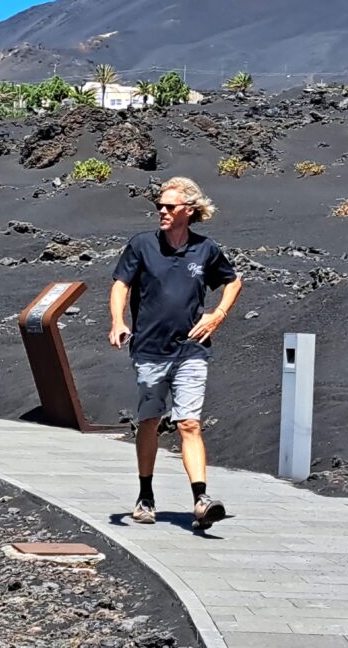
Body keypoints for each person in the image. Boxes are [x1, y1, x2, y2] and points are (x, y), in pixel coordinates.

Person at [109, 176, 242, 528]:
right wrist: (118, 322)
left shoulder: (205, 250)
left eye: (169, 207)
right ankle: (145, 496)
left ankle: (201, 499)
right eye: (159, 207)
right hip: (150, 350)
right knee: (150, 421)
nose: (162, 212)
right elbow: (121, 284)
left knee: (189, 422)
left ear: (190, 210)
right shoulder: (141, 245)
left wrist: (217, 315)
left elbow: (233, 281)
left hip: (191, 350)